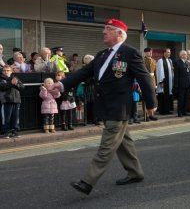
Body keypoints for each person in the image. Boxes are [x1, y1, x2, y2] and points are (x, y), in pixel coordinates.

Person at [50, 18, 157, 195]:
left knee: (107, 145)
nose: (103, 31)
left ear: (119, 34)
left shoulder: (130, 53)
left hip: (119, 107)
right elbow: (83, 73)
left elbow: (145, 78)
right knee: (124, 142)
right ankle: (135, 172)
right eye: (104, 28)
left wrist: (151, 103)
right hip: (106, 106)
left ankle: (87, 181)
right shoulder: (101, 55)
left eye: (108, 29)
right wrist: (61, 85)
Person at [0, 65, 24, 138]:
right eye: (4, 70)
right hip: (6, 100)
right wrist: (11, 83)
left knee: (15, 117)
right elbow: (2, 87)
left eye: (8, 70)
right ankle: (5, 132)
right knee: (6, 117)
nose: (6, 72)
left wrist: (16, 83)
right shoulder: (1, 78)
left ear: (11, 71)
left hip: (16, 100)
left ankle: (15, 131)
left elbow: (22, 87)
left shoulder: (15, 78)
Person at [173, 50, 190, 117]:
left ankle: (185, 111)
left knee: (186, 99)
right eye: (185, 54)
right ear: (181, 55)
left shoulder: (188, 62)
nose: (186, 55)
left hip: (188, 84)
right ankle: (180, 112)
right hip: (181, 84)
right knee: (181, 99)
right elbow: (176, 75)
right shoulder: (177, 62)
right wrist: (176, 85)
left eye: (186, 54)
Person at [156, 48, 174, 115]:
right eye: (168, 52)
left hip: (169, 81)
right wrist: (161, 81)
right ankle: (162, 110)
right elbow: (159, 71)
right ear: (164, 53)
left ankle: (168, 109)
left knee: (168, 95)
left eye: (170, 52)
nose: (169, 53)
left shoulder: (170, 60)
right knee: (163, 95)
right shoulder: (160, 61)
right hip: (164, 81)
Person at [143, 47, 157, 121]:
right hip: (146, 80)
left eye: (151, 52)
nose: (151, 53)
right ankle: (146, 115)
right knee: (147, 99)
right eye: (149, 52)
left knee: (152, 99)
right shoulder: (142, 61)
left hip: (152, 81)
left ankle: (152, 114)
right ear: (145, 53)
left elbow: (155, 73)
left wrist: (156, 83)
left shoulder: (154, 61)